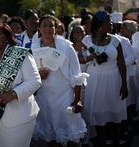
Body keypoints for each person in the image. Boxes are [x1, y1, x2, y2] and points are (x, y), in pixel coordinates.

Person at [0, 22, 41, 147]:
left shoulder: (21, 54)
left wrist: (14, 93)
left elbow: (35, 80)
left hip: (17, 120)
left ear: (7, 37)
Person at [31, 15, 87, 146]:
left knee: (69, 134)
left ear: (56, 28)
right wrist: (39, 75)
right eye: (44, 25)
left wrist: (77, 99)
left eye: (51, 25)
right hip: (44, 96)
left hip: (64, 94)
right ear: (39, 28)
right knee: (49, 135)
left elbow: (76, 74)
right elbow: (28, 74)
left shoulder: (66, 47)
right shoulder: (32, 47)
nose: (48, 28)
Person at [82, 11, 128, 146]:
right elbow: (82, 58)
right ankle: (102, 141)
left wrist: (124, 84)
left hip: (114, 79)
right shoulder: (87, 40)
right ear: (100, 26)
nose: (112, 25)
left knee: (115, 111)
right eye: (109, 23)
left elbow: (121, 63)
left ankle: (116, 140)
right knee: (98, 111)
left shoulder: (115, 40)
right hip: (95, 80)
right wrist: (91, 57)